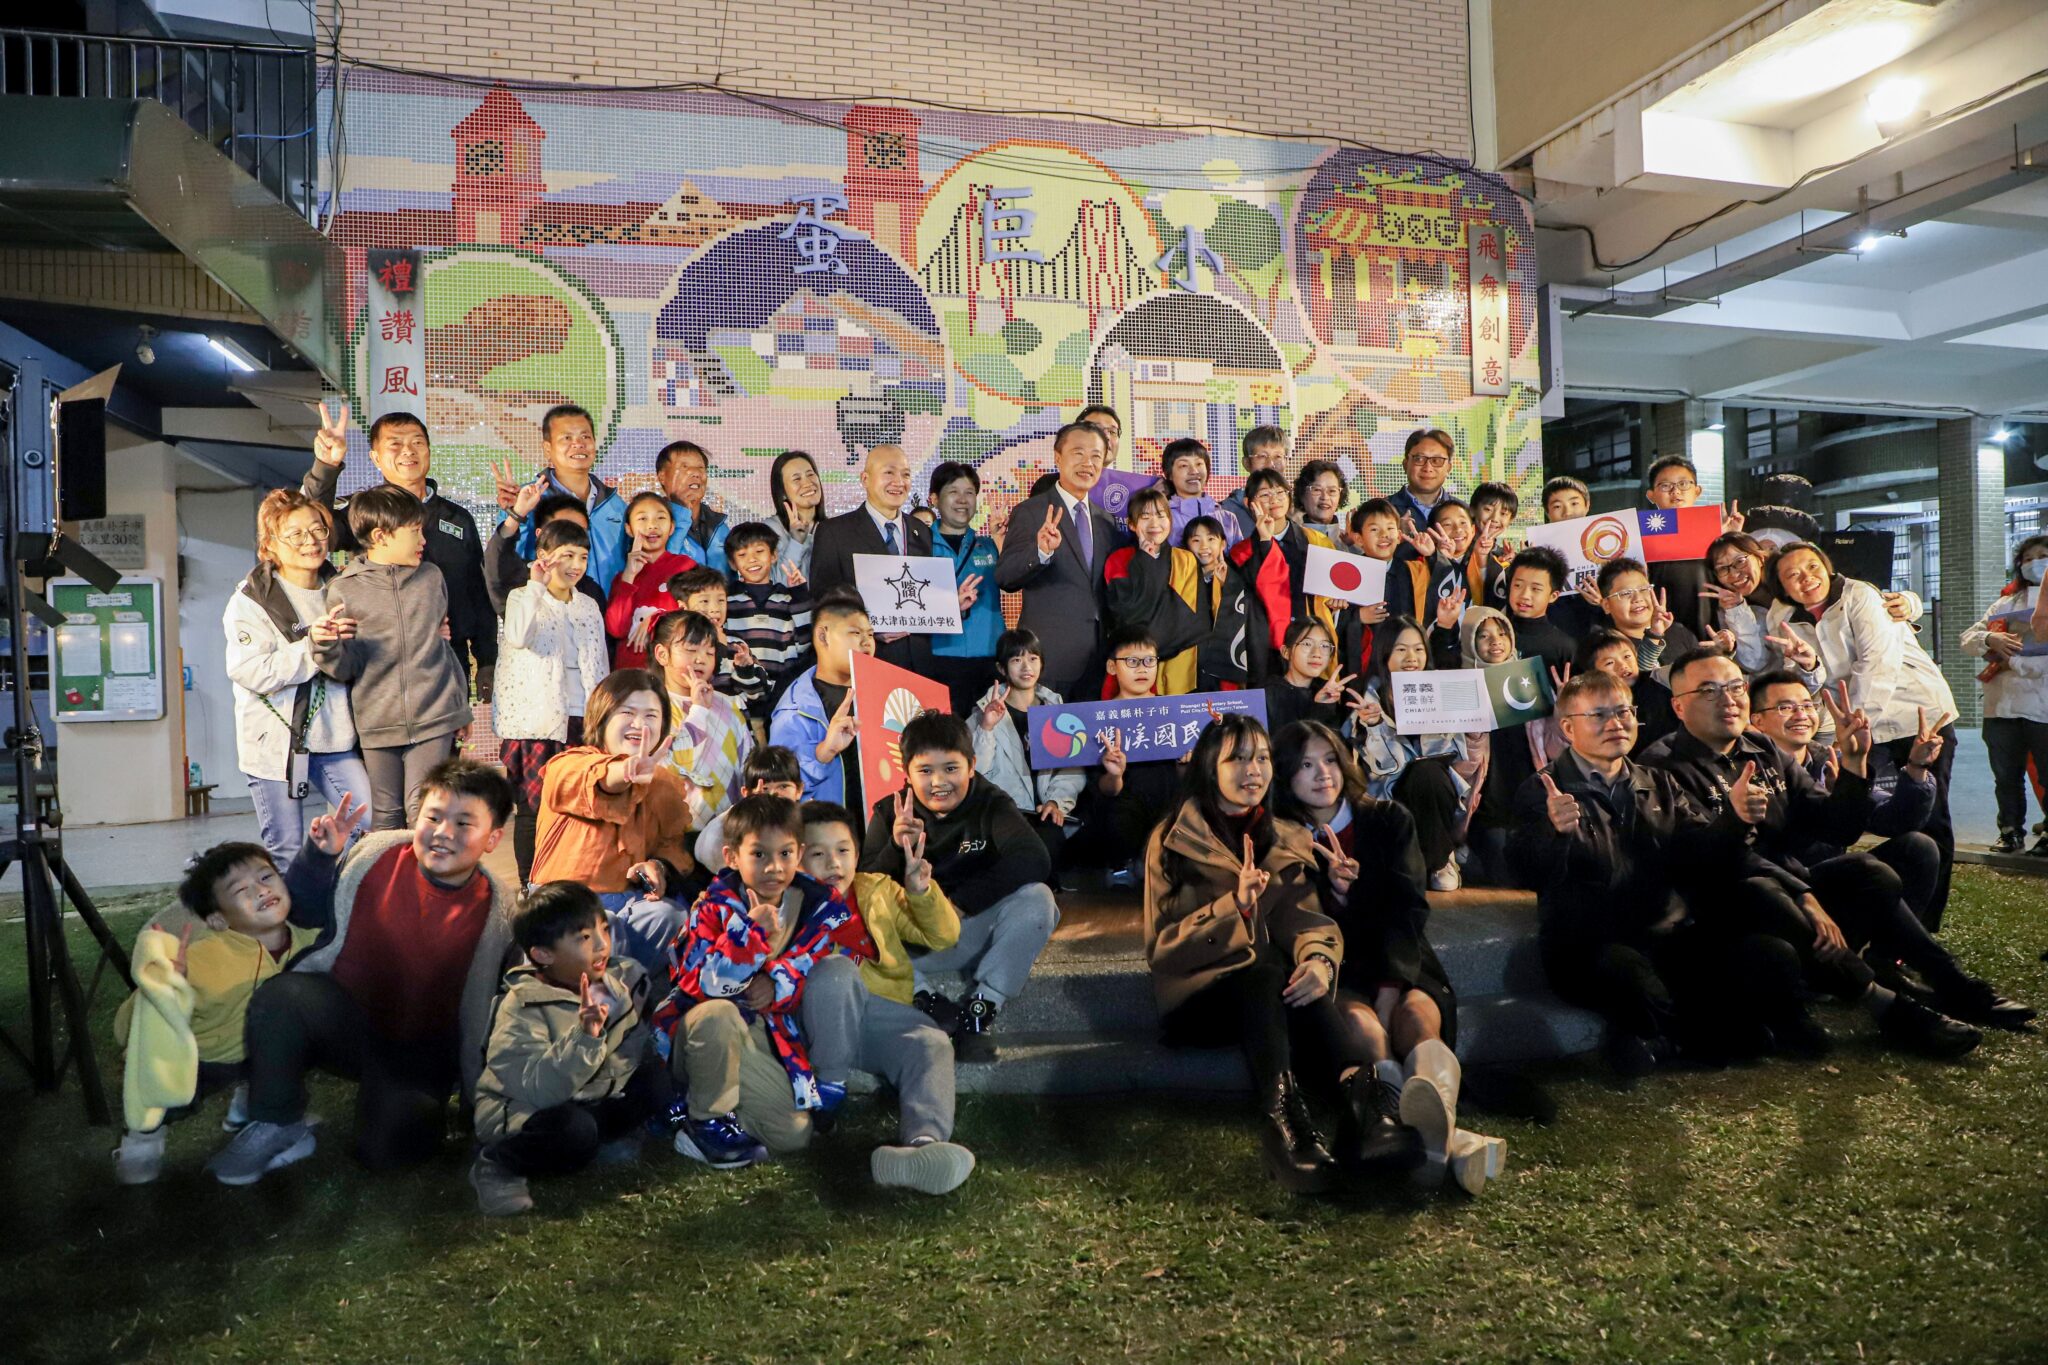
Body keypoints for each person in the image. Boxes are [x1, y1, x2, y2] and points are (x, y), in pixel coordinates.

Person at [1640, 649, 1982, 1058]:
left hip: (1784, 894)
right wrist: (1801, 892)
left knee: (1871, 871)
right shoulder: (1660, 765)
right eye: (1709, 691)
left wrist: (1854, 764)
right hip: (1719, 908)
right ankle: (1884, 1003)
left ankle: (1916, 976)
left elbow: (1835, 825)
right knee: (1759, 889)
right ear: (1679, 706)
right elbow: (1708, 859)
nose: (1728, 699)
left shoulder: (1762, 748)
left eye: (1734, 687)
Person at [204, 759, 516, 1185]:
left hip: (420, 1052)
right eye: (434, 817)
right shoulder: (376, 855)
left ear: (493, 838)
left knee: (387, 1152)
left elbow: (499, 1012)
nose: (443, 832)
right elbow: (306, 914)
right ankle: (277, 1118)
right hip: (347, 1021)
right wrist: (320, 857)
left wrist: (480, 1102)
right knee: (285, 997)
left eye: (464, 823)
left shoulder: (499, 912)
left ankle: (392, 1103)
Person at [1508, 671, 1797, 1075]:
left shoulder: (1658, 781)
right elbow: (1526, 871)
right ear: (1568, 728)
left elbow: (1699, 855)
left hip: (1664, 934)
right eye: (1599, 715)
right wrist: (1552, 832)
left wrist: (1734, 819)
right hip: (1589, 945)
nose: (1616, 723)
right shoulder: (1543, 790)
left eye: (1624, 712)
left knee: (1769, 954)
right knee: (1635, 980)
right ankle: (1689, 1035)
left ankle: (1686, 1035)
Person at [1272, 721, 1503, 1192]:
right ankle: (1436, 1143)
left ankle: (1428, 1137)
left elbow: (1408, 909)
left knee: (1415, 1017)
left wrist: (1391, 988)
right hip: (1337, 970)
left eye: (1330, 760)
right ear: (1286, 775)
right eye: (1305, 765)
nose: (1322, 774)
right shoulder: (1282, 838)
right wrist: (1337, 895)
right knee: (1365, 1029)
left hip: (1400, 958)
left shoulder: (1388, 818)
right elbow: (1294, 920)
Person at [1140, 715, 1357, 1193]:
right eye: (1236, 759)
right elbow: (1162, 952)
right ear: (1208, 767)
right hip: (1197, 1000)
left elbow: (1304, 921)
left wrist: (1319, 961)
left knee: (1289, 975)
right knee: (1266, 972)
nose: (1252, 770)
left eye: (1261, 757)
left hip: (1265, 997)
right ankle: (1287, 1124)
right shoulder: (1172, 838)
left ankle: (1369, 1109)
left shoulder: (1285, 836)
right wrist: (1232, 908)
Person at [1747, 673, 2032, 1029]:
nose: (1801, 714)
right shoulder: (1748, 769)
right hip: (1789, 903)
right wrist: (1829, 807)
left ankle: (1888, 961)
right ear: (1755, 720)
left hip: (1844, 895)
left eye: (1807, 705)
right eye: (1785, 707)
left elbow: (1894, 819)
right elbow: (1761, 851)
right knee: (1865, 868)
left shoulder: (1831, 757)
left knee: (1918, 846)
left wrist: (1916, 768)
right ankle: (1954, 985)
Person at [112, 818, 351, 1184]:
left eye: (266, 876)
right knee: (165, 1096)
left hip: (258, 1053)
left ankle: (255, 1106)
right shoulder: (204, 957)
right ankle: (142, 1141)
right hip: (202, 1058)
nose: (261, 889)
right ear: (218, 920)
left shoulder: (310, 938)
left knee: (290, 1043)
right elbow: (135, 1023)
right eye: (241, 890)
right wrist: (167, 987)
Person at [652, 793, 875, 1169]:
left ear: (799, 853)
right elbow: (698, 986)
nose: (774, 867)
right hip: (703, 1030)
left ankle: (716, 1109)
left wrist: (775, 983)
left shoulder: (818, 907)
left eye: (785, 853)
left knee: (793, 1135)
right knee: (719, 1014)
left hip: (766, 1030)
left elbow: (807, 967)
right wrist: (748, 936)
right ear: (731, 857)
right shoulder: (711, 908)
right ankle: (705, 1121)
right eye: (759, 854)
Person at [1762, 541, 1963, 928]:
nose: (1806, 578)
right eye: (1792, 574)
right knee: (1857, 809)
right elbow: (1810, 680)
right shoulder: (1781, 617)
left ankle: (1923, 922)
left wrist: (1846, 733)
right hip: (1857, 725)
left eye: (1812, 567)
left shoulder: (1859, 596)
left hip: (1916, 715)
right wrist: (1811, 668)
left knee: (1930, 817)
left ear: (1827, 566)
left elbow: (1877, 666)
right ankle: (1868, 908)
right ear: (1781, 585)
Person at [798, 800, 976, 1195]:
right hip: (818, 1020)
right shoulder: (789, 899)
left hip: (876, 1014)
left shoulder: (876, 890)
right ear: (797, 858)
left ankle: (922, 1147)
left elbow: (944, 936)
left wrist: (921, 891)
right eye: (818, 854)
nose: (834, 863)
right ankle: (828, 1090)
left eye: (843, 850)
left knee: (931, 1043)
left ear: (857, 853)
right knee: (837, 971)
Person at [862, 713, 1058, 1063]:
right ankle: (926, 1001)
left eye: (951, 768)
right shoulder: (892, 812)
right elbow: (861, 891)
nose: (939, 782)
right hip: (913, 946)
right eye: (925, 771)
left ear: (971, 766)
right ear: (907, 773)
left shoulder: (991, 802)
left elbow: (1034, 858)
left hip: (970, 933)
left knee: (1038, 899)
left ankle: (981, 1011)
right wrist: (895, 846)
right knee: (850, 924)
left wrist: (960, 903)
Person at [469, 882, 660, 1216]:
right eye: (584, 937)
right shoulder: (522, 1006)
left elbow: (623, 1053)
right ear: (543, 954)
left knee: (655, 1081)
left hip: (581, 1097)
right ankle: (497, 1164)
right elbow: (538, 1090)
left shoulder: (609, 985)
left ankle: (598, 1139)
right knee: (574, 1131)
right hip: (522, 1110)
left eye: (603, 929)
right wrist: (585, 1038)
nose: (602, 944)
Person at [305, 403, 495, 699]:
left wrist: (487, 660)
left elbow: (478, 593)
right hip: (380, 666)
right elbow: (317, 529)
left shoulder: (457, 518)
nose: (408, 451)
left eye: (417, 442)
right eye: (395, 444)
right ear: (375, 457)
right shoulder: (363, 512)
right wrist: (326, 468)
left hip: (448, 658)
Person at [312, 486, 472, 832]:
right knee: (385, 817)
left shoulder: (431, 578)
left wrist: (461, 709)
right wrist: (326, 645)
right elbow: (344, 668)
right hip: (377, 722)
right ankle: (388, 871)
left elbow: (442, 648)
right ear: (380, 536)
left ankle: (423, 870)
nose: (423, 540)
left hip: (434, 715)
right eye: (414, 531)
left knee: (422, 810)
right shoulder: (344, 589)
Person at [226, 490, 372, 866]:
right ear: (270, 543)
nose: (310, 541)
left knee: (368, 823)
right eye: (295, 534)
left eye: (318, 529)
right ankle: (298, 901)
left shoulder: (343, 587)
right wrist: (311, 647)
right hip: (274, 745)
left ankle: (330, 889)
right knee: (286, 849)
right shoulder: (251, 599)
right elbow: (249, 670)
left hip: (336, 738)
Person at [530, 669, 695, 978]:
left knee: (671, 916)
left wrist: (658, 866)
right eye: (627, 712)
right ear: (602, 718)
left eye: (651, 715)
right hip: (566, 905)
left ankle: (630, 995)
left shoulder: (663, 784)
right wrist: (626, 772)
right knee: (605, 927)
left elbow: (672, 845)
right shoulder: (568, 764)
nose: (640, 725)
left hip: (632, 902)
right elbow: (601, 781)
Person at [493, 518, 611, 882]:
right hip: (537, 723)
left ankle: (571, 882)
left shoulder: (588, 605)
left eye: (583, 557)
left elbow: (600, 663)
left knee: (580, 809)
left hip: (582, 721)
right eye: (567, 555)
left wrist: (602, 719)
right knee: (533, 810)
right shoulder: (522, 597)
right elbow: (517, 636)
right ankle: (530, 885)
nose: (576, 565)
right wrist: (535, 585)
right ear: (544, 556)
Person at [1352, 615, 1480, 890]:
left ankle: (1439, 862)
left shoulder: (1440, 690)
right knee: (1419, 773)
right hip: (1390, 791)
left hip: (1435, 789)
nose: (1411, 657)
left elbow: (1455, 754)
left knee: (1429, 772)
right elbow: (1382, 768)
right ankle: (1416, 864)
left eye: (1418, 649)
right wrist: (1375, 726)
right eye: (1401, 649)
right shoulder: (1367, 699)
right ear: (1385, 654)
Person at [995, 420, 1121, 700]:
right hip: (1049, 659)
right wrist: (1041, 552)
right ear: (1058, 457)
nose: (1087, 463)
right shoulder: (1031, 512)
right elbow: (1005, 577)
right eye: (1078, 453)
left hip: (1099, 663)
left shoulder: (1106, 521)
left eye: (1096, 456)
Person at [809, 443, 940, 673]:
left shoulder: (921, 531)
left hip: (921, 663)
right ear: (865, 479)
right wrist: (867, 630)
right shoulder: (834, 532)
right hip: (865, 662)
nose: (899, 482)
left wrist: (950, 603)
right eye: (889, 472)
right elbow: (823, 601)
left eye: (906, 474)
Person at [970, 629, 1086, 872]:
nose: (1026, 667)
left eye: (1033, 658)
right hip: (1002, 815)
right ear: (1001, 668)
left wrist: (1055, 802)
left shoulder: (1057, 711)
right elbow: (973, 773)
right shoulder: (981, 714)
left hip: (1045, 816)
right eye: (1016, 660)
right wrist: (987, 728)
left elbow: (1072, 771)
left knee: (1050, 844)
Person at [1963, 533, 2048, 854]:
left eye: (2042, 557)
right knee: (2006, 776)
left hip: (2043, 707)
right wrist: (1990, 640)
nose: (2034, 564)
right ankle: (2010, 830)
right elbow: (1969, 637)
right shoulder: (2006, 604)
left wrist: (2011, 659)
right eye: (2027, 559)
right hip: (2000, 707)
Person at [652, 609, 753, 863]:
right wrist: (698, 710)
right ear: (662, 654)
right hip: (672, 839)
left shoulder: (728, 705)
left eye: (709, 652)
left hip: (727, 835)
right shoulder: (652, 707)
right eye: (690, 650)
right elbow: (674, 767)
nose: (701, 659)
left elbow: (747, 762)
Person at [497, 404, 629, 590]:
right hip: (550, 606)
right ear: (547, 448)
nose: (578, 444)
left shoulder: (615, 505)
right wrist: (517, 513)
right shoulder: (527, 499)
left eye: (585, 437)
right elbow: (505, 561)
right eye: (567, 438)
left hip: (607, 607)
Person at [770, 592, 875, 816]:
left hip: (879, 830)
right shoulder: (795, 709)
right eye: (855, 633)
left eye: (870, 634)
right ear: (823, 636)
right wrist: (823, 752)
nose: (867, 642)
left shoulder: (884, 694)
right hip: (826, 830)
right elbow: (779, 788)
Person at [1104, 484, 1204, 695]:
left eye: (1161, 515)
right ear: (1132, 524)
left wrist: (1151, 651)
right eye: (1145, 516)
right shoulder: (1119, 560)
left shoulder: (1185, 560)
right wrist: (1146, 564)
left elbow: (1192, 623)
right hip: (1132, 668)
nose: (1154, 524)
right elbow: (1126, 617)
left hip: (1181, 667)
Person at [1230, 466, 1338, 660]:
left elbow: (1332, 594)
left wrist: (1337, 602)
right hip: (1263, 648)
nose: (1275, 500)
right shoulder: (1241, 553)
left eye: (1280, 492)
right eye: (1265, 494)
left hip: (1310, 647)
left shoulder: (1317, 542)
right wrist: (1264, 541)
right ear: (1248, 503)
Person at [926, 461, 1002, 714]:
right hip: (938, 657)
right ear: (934, 499)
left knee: (988, 732)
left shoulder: (989, 546)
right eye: (953, 491)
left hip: (988, 657)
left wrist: (1003, 544)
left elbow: (1014, 579)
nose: (962, 500)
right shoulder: (918, 547)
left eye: (969, 492)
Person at [604, 491, 695, 671]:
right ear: (629, 529)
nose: (652, 525)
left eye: (660, 518)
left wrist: (656, 621)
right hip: (630, 674)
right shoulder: (622, 578)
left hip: (671, 673)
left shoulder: (685, 567)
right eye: (642, 519)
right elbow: (616, 629)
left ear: (671, 527)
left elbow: (696, 617)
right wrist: (629, 575)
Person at [723, 520, 813, 699]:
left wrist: (800, 595)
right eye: (742, 554)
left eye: (759, 551)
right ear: (733, 563)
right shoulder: (727, 601)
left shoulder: (788, 598)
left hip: (782, 694)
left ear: (773, 555)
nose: (752, 559)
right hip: (740, 695)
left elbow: (805, 643)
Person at [485, 486, 603, 616]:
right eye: (562, 530)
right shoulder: (520, 581)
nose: (573, 538)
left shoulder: (591, 592)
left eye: (580, 531)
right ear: (540, 535)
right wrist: (517, 514)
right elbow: (496, 561)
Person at [1181, 514, 1267, 691]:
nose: (1204, 546)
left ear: (1223, 544)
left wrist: (1226, 586)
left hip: (1225, 664)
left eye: (1211, 539)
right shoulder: (1181, 580)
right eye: (1196, 540)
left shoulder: (1237, 576)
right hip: (1192, 665)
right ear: (1186, 546)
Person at [666, 564, 768, 713]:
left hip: (733, 720)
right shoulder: (681, 646)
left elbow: (757, 695)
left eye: (721, 600)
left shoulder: (737, 644)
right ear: (683, 607)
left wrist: (745, 670)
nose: (715, 609)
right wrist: (719, 646)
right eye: (704, 601)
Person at [695, 746, 804, 874]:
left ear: (799, 790)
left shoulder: (808, 822)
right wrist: (753, 807)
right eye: (765, 789)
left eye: (783, 786)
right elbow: (705, 851)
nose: (774, 794)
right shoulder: (735, 823)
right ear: (746, 793)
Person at [1386, 497, 1488, 629]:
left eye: (1463, 523)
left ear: (1473, 530)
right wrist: (1437, 557)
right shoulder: (1416, 569)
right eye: (1447, 525)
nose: (1458, 529)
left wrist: (1482, 557)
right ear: (1432, 533)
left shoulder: (1485, 563)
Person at [1593, 556, 1700, 680]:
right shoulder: (1605, 650)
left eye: (1643, 589)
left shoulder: (1680, 633)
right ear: (1606, 605)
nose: (1637, 598)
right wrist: (1654, 636)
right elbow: (1636, 685)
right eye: (1626, 593)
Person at [1573, 627, 1676, 756]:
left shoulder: (1659, 680)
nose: (1622, 665)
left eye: (1627, 656)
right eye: (1609, 663)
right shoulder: (1597, 707)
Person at [1262, 617, 1351, 735]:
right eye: (1307, 644)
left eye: (1324, 646)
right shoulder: (1266, 694)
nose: (1317, 654)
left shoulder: (1329, 692)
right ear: (1286, 652)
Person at [655, 439, 731, 574]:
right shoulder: (652, 523)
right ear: (662, 476)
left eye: (700, 467)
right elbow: (659, 572)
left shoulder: (720, 527)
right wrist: (682, 514)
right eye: (684, 466)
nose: (696, 473)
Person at [1501, 545, 1575, 674]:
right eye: (1518, 585)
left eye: (1535, 589)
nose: (1525, 595)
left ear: (1553, 596)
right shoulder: (1494, 638)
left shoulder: (1565, 648)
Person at [1162, 437, 1240, 548]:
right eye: (1184, 465)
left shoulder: (1228, 518)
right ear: (1169, 474)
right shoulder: (1164, 518)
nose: (1194, 471)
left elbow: (1240, 557)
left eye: (1199, 464)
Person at [765, 449, 824, 586]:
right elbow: (778, 584)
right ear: (782, 492)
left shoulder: (833, 528)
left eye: (810, 474)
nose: (808, 483)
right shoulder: (770, 530)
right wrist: (796, 543)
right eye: (797, 479)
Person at [1221, 424, 1288, 541]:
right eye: (1262, 456)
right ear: (1246, 463)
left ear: (1286, 461)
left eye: (1278, 456)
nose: (1271, 464)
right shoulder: (1227, 512)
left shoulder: (1294, 508)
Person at [1388, 428, 1456, 528]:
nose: (1427, 468)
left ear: (1448, 468)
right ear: (1405, 465)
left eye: (1437, 460)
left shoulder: (1464, 513)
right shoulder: (1379, 511)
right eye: (1419, 459)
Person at [1293, 459, 1348, 542]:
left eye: (1332, 491)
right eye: (1317, 490)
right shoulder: (1293, 540)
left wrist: (1350, 545)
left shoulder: (1350, 542)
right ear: (1302, 495)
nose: (1325, 497)